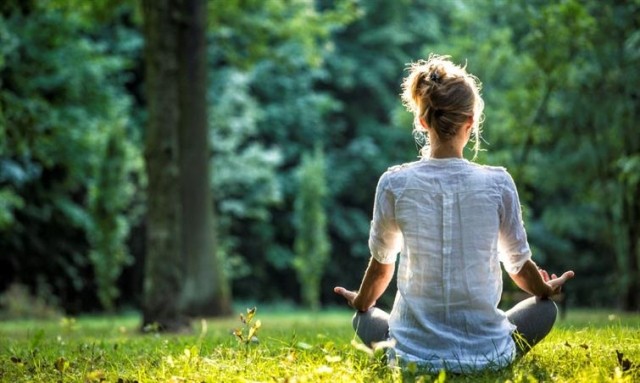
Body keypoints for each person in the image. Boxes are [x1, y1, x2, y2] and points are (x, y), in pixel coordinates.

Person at [333, 54, 575, 373]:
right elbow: (518, 266)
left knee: (362, 318)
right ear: (470, 123)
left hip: (411, 358)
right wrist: (545, 289)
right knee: (545, 312)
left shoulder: (393, 183)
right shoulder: (498, 183)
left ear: (422, 121)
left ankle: (411, 349)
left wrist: (361, 301)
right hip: (487, 354)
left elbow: (381, 267)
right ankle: (487, 360)